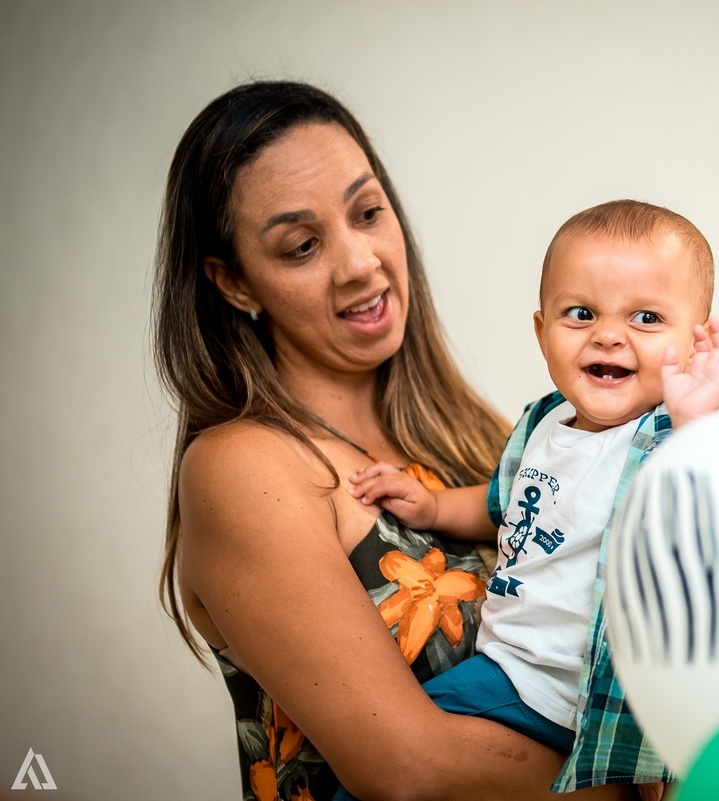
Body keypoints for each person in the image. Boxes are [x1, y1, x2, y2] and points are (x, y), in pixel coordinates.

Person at [154, 80, 640, 801]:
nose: (358, 262)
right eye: (302, 245)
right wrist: (633, 781)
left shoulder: (480, 438)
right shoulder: (244, 466)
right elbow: (406, 768)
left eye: (368, 212)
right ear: (235, 283)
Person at [348, 200, 719, 795]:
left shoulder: (664, 437)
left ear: (693, 346)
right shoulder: (541, 423)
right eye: (582, 313)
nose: (611, 335)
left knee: (390, 756)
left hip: (579, 689)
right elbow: (502, 506)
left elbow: (702, 514)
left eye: (647, 317)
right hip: (513, 667)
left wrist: (694, 419)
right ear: (543, 332)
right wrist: (433, 507)